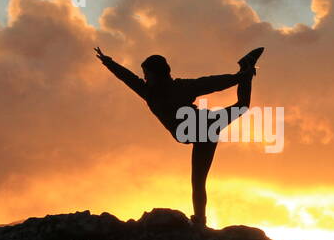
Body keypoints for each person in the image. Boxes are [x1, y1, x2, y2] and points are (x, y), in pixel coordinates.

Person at [96, 45, 265, 226]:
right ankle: (245, 68)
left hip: (206, 126)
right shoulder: (150, 90)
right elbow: (127, 77)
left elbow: (211, 83)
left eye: (147, 73)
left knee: (199, 180)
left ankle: (200, 220)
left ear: (157, 73)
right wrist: (109, 62)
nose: (144, 77)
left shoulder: (175, 88)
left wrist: (238, 78)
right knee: (241, 107)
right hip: (205, 127)